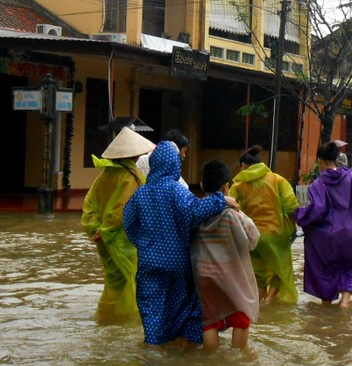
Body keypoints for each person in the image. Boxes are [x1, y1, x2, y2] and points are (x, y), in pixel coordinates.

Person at [123, 141, 232, 346]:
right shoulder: (177, 191)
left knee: (152, 310)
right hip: (178, 265)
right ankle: (183, 349)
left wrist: (143, 243)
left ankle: (154, 349)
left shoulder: (140, 194)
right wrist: (221, 200)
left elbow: (128, 222)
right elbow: (195, 211)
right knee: (183, 308)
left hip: (149, 265)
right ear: (174, 164)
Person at [81, 127, 154, 324]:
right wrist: (105, 230)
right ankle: (125, 320)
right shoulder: (132, 177)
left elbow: (89, 205)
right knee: (128, 281)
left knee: (113, 280)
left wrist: (96, 228)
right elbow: (123, 208)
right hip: (124, 240)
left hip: (104, 239)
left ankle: (106, 317)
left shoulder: (103, 176)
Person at [295, 142, 352, 308]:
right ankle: (345, 302)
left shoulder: (319, 184)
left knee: (325, 271)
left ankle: (327, 306)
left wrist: (298, 215)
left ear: (320, 161)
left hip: (329, 239)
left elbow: (317, 209)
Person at [192, 159, 260, 351]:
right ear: (226, 188)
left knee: (209, 319)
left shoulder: (196, 212)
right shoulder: (232, 215)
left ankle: (210, 360)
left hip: (204, 275)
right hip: (231, 275)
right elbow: (253, 239)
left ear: (203, 185)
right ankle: (237, 357)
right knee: (240, 316)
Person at [230, 144, 300, 304]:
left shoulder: (238, 185)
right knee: (281, 270)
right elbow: (292, 208)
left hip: (251, 237)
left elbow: (230, 209)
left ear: (243, 166)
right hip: (276, 235)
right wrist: (292, 229)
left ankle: (262, 304)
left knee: (259, 274)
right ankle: (269, 300)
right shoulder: (277, 180)